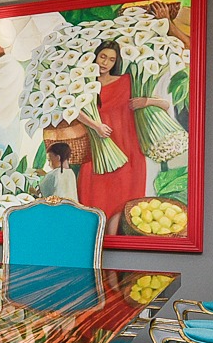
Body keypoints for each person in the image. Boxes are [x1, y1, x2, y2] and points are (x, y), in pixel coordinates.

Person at [71, 40, 172, 232]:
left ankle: (114, 240)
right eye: (102, 57)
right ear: (95, 55)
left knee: (122, 199)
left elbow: (166, 105)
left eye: (111, 59)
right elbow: (72, 111)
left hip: (128, 149)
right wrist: (96, 126)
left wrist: (146, 101)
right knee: (93, 196)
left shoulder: (128, 81)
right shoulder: (84, 83)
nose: (105, 63)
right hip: (99, 149)